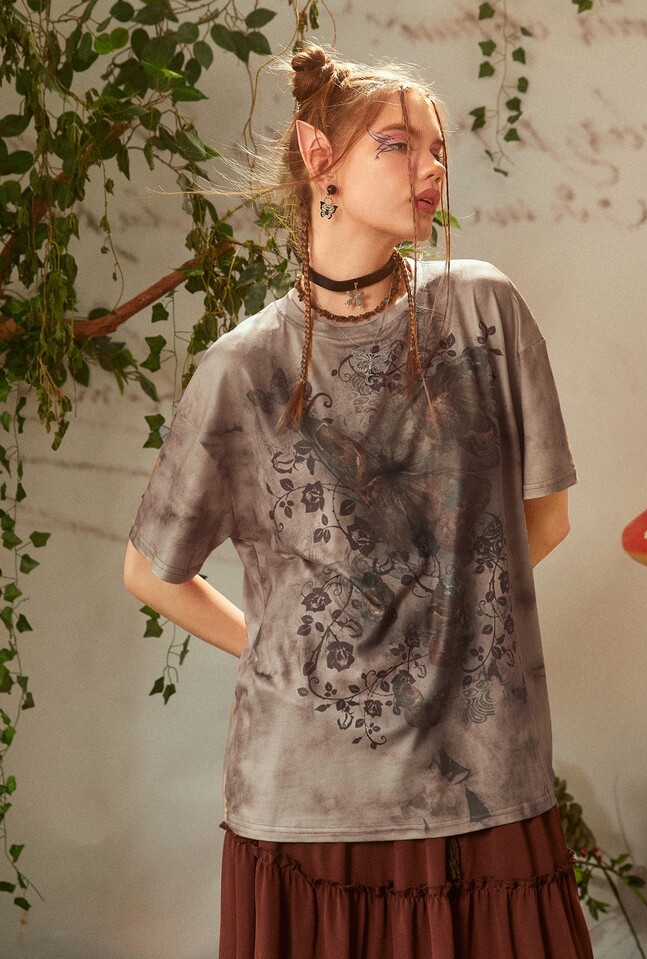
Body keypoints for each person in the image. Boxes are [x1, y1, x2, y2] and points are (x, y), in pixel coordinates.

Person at [124, 45, 593, 959]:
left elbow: (544, 519)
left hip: (481, 782)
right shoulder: (243, 368)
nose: (432, 168)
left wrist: (435, 609)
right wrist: (281, 648)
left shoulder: (484, 312)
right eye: (399, 145)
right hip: (308, 804)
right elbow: (150, 572)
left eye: (439, 149)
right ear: (319, 158)